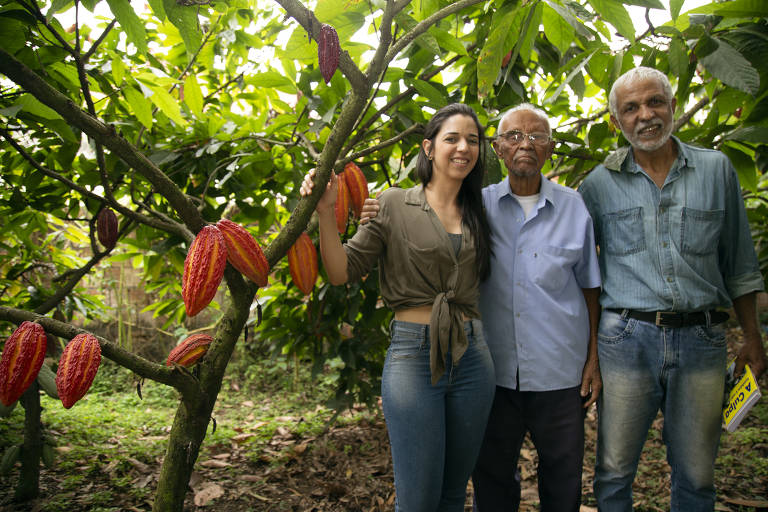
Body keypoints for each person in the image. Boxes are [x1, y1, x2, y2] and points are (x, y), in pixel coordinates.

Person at [362, 103, 603, 511]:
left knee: (563, 484)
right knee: (491, 483)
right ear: (498, 148)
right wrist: (378, 209)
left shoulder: (573, 206)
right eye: (513, 136)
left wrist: (593, 359)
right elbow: (420, 221)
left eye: (537, 136)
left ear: (550, 148)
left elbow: (589, 288)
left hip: (560, 373)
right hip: (492, 372)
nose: (525, 144)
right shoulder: (476, 205)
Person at [578, 66, 767, 511]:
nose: (646, 115)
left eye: (654, 102)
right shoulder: (597, 186)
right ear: (617, 121)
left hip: (701, 340)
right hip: (625, 339)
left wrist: (754, 340)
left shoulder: (716, 170)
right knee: (613, 472)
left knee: (698, 475)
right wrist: (589, 356)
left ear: (673, 107)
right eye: (631, 108)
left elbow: (740, 264)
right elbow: (583, 276)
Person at [300, 103, 496, 511]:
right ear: (428, 148)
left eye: (472, 140)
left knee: (454, 491)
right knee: (418, 497)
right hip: (413, 354)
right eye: (452, 138)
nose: (463, 148)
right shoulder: (392, 203)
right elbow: (341, 272)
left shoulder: (480, 210)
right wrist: (325, 213)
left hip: (473, 355)